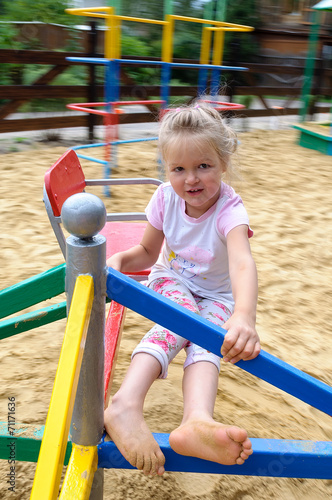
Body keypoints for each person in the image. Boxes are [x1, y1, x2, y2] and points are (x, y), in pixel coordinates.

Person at [104, 102, 260, 477]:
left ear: (223, 161)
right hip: (170, 278)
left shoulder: (230, 211)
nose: (191, 179)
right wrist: (121, 261)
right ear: (167, 168)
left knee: (209, 341)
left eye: (203, 166)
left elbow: (242, 262)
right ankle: (124, 403)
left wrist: (244, 316)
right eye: (179, 169)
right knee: (181, 318)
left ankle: (196, 420)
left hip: (218, 296)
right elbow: (147, 250)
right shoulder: (164, 198)